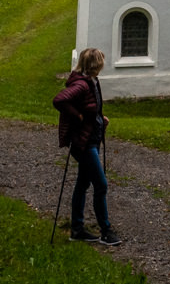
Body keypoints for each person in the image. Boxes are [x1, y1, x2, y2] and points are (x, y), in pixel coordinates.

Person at [53, 48, 121, 246]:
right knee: (101, 184)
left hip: (92, 138)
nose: (102, 65)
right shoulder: (82, 84)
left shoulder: (93, 81)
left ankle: (77, 229)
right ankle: (105, 231)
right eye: (100, 61)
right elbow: (59, 100)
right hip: (84, 143)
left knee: (83, 184)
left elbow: (91, 106)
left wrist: (99, 118)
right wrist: (78, 116)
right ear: (95, 64)